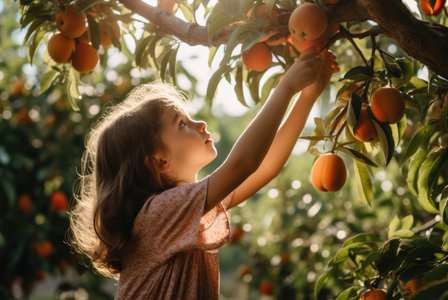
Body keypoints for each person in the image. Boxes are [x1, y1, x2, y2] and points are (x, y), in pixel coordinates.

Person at [69, 49, 338, 299]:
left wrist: (308, 95)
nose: (201, 124)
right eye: (182, 123)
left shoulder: (189, 209)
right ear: (158, 161)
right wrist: (286, 88)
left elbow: (264, 166)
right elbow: (243, 164)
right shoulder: (158, 213)